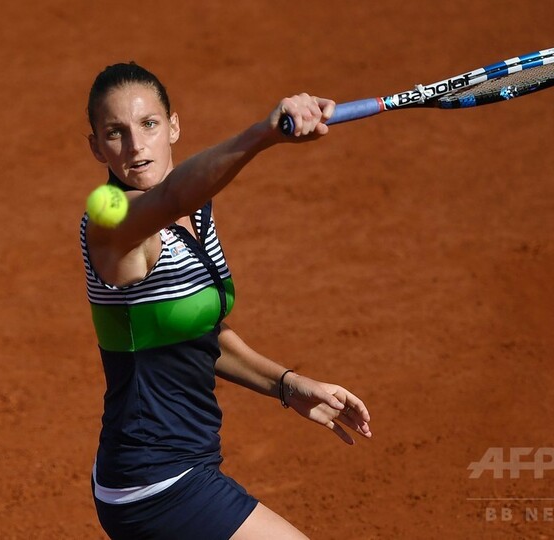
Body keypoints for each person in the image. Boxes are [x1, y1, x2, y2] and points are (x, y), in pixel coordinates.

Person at [80, 62, 372, 540]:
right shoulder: (110, 222)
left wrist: (288, 384)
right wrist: (264, 134)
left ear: (174, 126)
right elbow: (172, 195)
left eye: (148, 124)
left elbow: (200, 333)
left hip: (179, 462)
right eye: (116, 133)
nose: (135, 146)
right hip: (154, 482)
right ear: (96, 146)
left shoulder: (196, 210)